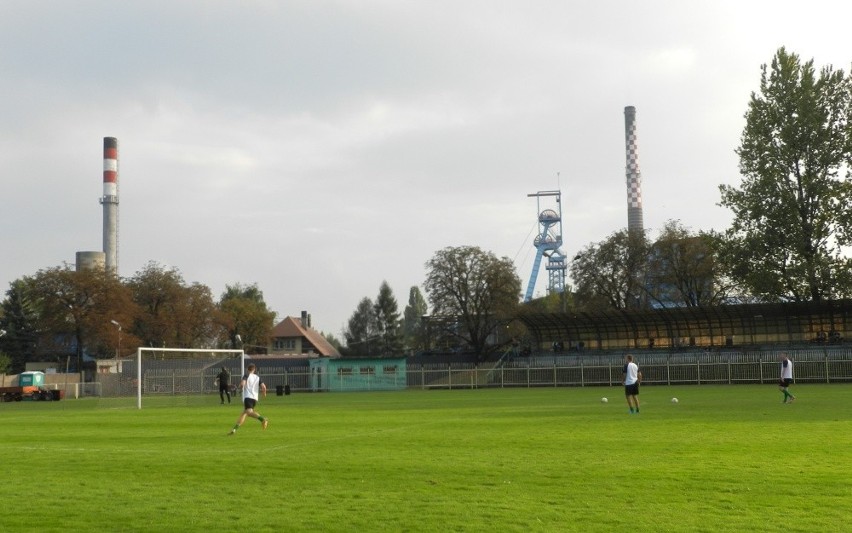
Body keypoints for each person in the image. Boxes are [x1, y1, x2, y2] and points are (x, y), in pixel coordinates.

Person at [227, 364, 269, 435]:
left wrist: (240, 387)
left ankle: (263, 419)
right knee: (244, 413)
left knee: (249, 412)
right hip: (254, 399)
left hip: (248, 397)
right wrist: (264, 393)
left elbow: (243, 383)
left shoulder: (246, 375)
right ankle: (234, 430)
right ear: (254, 369)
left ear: (247, 369)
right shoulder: (257, 377)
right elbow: (264, 387)